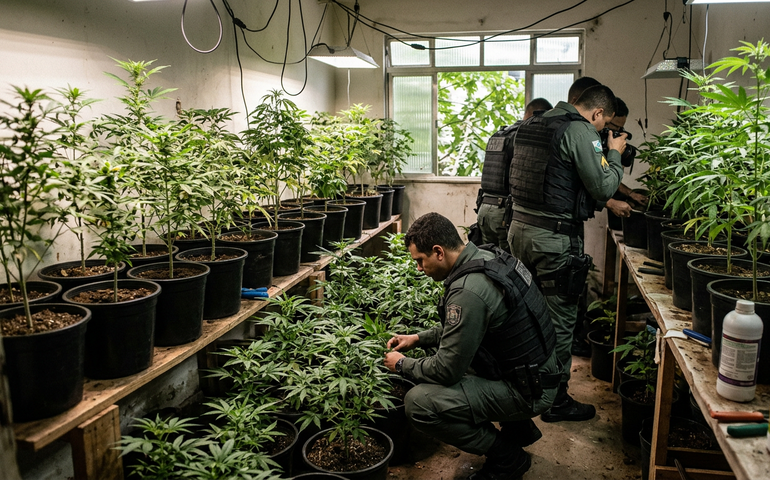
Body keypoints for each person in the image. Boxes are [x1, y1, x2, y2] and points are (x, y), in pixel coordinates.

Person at [384, 212, 561, 480]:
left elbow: (446, 370)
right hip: (536, 371)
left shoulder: (469, 290)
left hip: (531, 389)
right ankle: (518, 428)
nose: (419, 269)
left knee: (419, 403)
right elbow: (471, 327)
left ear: (439, 252)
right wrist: (418, 338)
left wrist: (401, 365)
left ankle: (507, 457)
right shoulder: (488, 257)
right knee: (461, 356)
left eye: (420, 261)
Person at [506, 81, 626, 423]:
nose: (604, 130)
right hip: (553, 240)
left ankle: (524, 385)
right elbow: (602, 186)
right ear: (598, 113)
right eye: (605, 124)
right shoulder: (579, 130)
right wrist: (614, 153)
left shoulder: (533, 123)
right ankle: (555, 400)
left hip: (518, 232)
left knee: (527, 313)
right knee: (559, 320)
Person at [476, 98, 554, 252]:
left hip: (484, 210)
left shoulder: (499, 134)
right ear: (539, 115)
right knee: (507, 263)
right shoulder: (524, 137)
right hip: (504, 214)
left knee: (487, 260)